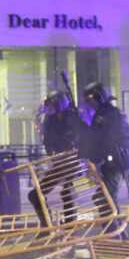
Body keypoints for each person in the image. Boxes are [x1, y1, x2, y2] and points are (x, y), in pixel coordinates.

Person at [30, 91, 83, 225]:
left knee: (67, 191)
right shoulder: (50, 120)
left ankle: (69, 224)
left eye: (53, 106)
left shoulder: (72, 117)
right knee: (35, 195)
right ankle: (46, 224)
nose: (50, 109)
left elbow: (80, 138)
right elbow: (47, 140)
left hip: (71, 162)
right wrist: (51, 155)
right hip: (59, 162)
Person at [80, 82, 129, 212]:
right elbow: (95, 137)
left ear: (99, 97)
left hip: (116, 162)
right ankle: (114, 226)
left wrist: (94, 155)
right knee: (104, 198)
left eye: (90, 100)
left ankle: (116, 227)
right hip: (108, 163)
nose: (89, 104)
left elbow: (104, 138)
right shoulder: (100, 114)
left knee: (106, 198)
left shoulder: (110, 114)